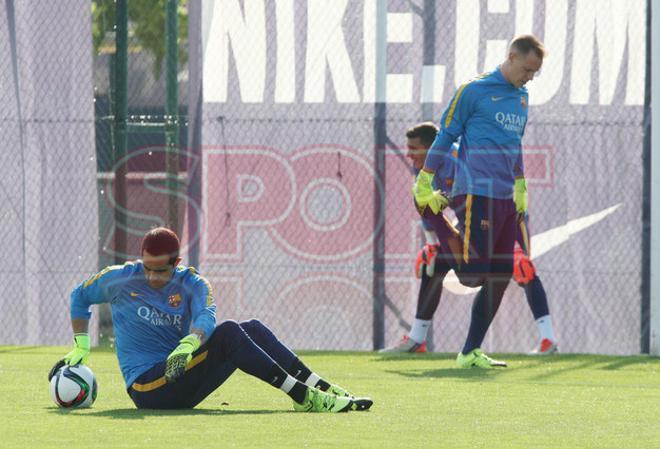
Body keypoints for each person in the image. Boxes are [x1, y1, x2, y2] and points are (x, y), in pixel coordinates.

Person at [48, 227, 373, 412]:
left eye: (160, 270)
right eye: (146, 267)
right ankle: (304, 398)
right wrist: (81, 344)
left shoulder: (193, 283)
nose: (151, 276)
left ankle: (323, 388)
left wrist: (187, 345)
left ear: (176, 263)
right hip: (148, 388)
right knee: (232, 333)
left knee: (252, 328)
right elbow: (79, 296)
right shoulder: (120, 278)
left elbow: (207, 315)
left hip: (182, 373)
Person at [412, 35, 545, 368]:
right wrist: (426, 179)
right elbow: (445, 135)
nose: (530, 77)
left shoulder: (522, 97)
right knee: (472, 275)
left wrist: (520, 185)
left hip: (503, 196)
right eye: (527, 69)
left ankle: (469, 352)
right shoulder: (473, 91)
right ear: (511, 56)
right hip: (475, 192)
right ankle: (436, 222)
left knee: (500, 274)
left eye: (535, 73)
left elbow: (515, 145)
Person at [381, 122, 558, 355]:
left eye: (414, 149)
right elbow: (428, 206)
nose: (409, 154)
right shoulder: (422, 167)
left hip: (504, 217)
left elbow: (496, 199)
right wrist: (433, 244)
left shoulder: (459, 162)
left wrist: (512, 244)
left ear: (432, 148)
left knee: (521, 268)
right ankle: (417, 339)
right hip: (469, 223)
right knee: (432, 262)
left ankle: (548, 340)